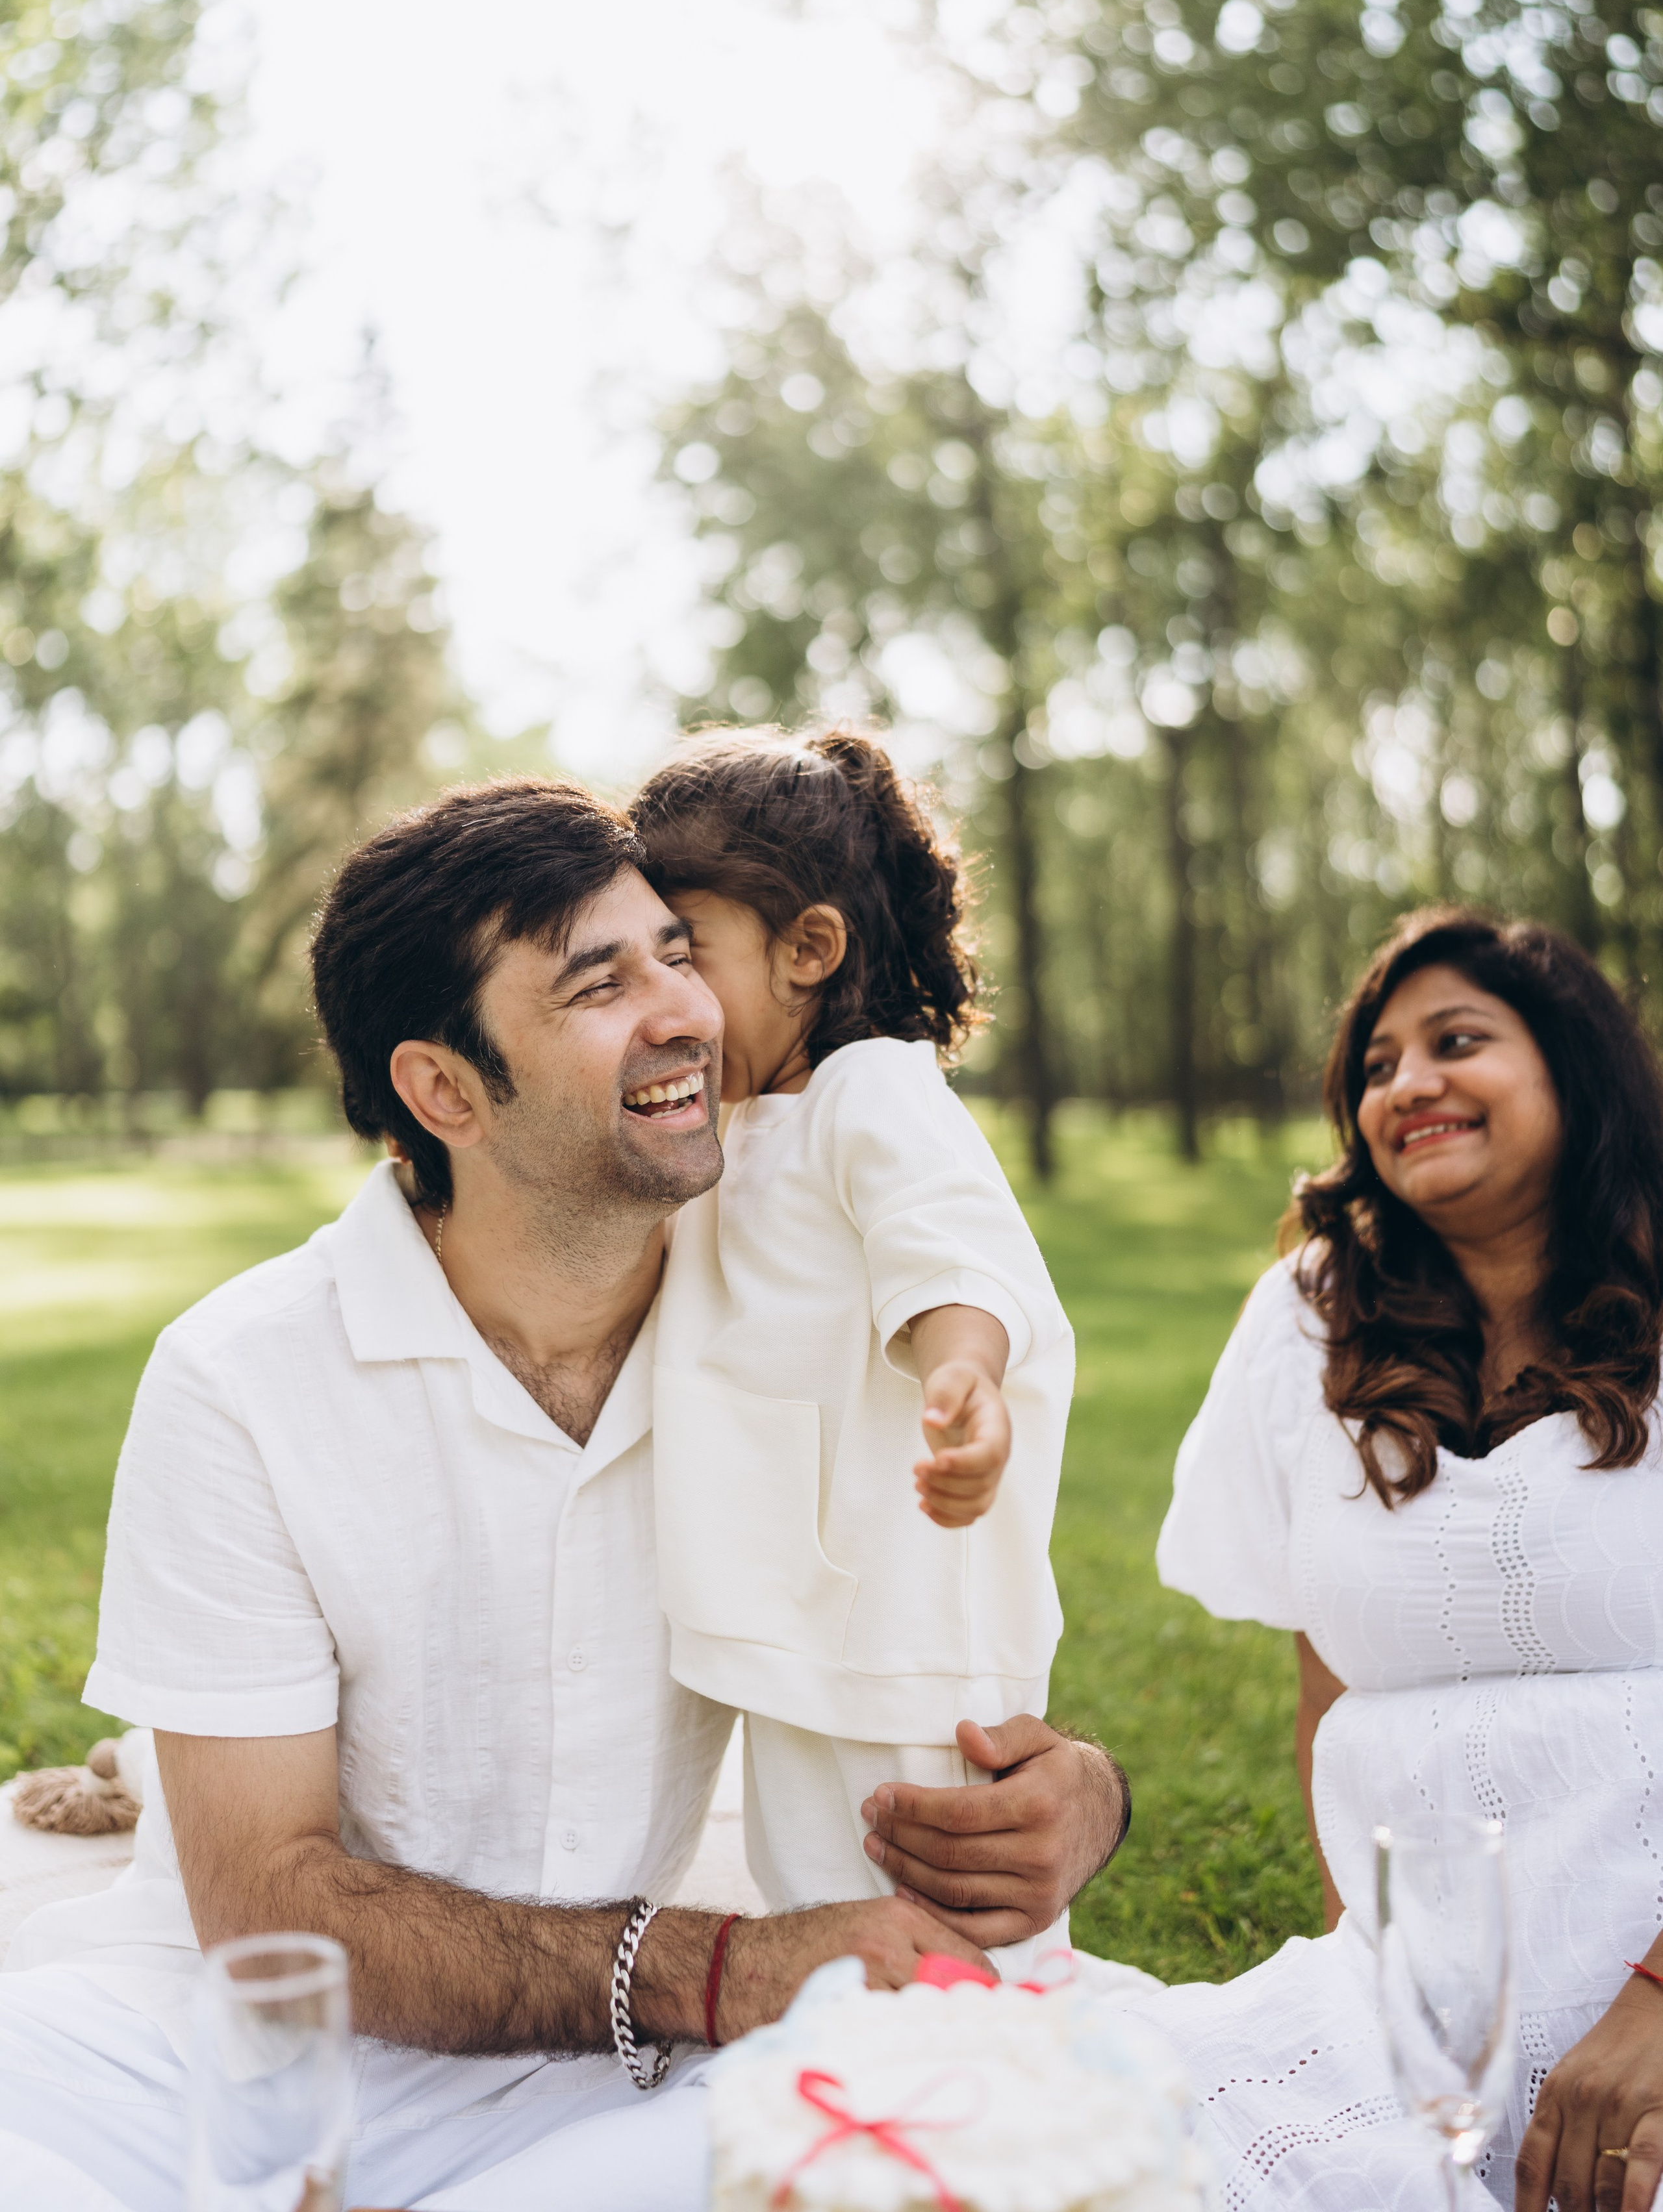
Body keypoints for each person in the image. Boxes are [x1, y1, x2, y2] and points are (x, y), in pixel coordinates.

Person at [0, 777, 1128, 2212]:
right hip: (224, 2054)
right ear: (444, 1090)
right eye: (601, 984)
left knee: (1014, 2139)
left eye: (677, 952)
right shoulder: (240, 1378)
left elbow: (935, 1631)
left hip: (633, 2083)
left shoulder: (801, 1304)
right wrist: (712, 1969)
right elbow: (266, 1904)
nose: (686, 1013)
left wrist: (1081, 1796)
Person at [1120, 908, 1663, 2212]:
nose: (1404, 1083)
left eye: (1454, 1041)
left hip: (1645, 1985)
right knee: (1091, 2144)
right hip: (1398, 2001)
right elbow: (1331, 1694)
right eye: (1373, 1066)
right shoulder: (1309, 1320)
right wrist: (1357, 2013)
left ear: (1569, 1071)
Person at [630, 728, 1074, 1970]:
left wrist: (964, 1373)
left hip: (906, 1623)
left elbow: (952, 1250)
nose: (667, 1000)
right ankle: (856, 2095)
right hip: (806, 1624)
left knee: (941, 1914)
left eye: (689, 952)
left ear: (808, 950)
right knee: (819, 1914)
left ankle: (996, 2091)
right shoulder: (739, 1123)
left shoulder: (870, 1092)